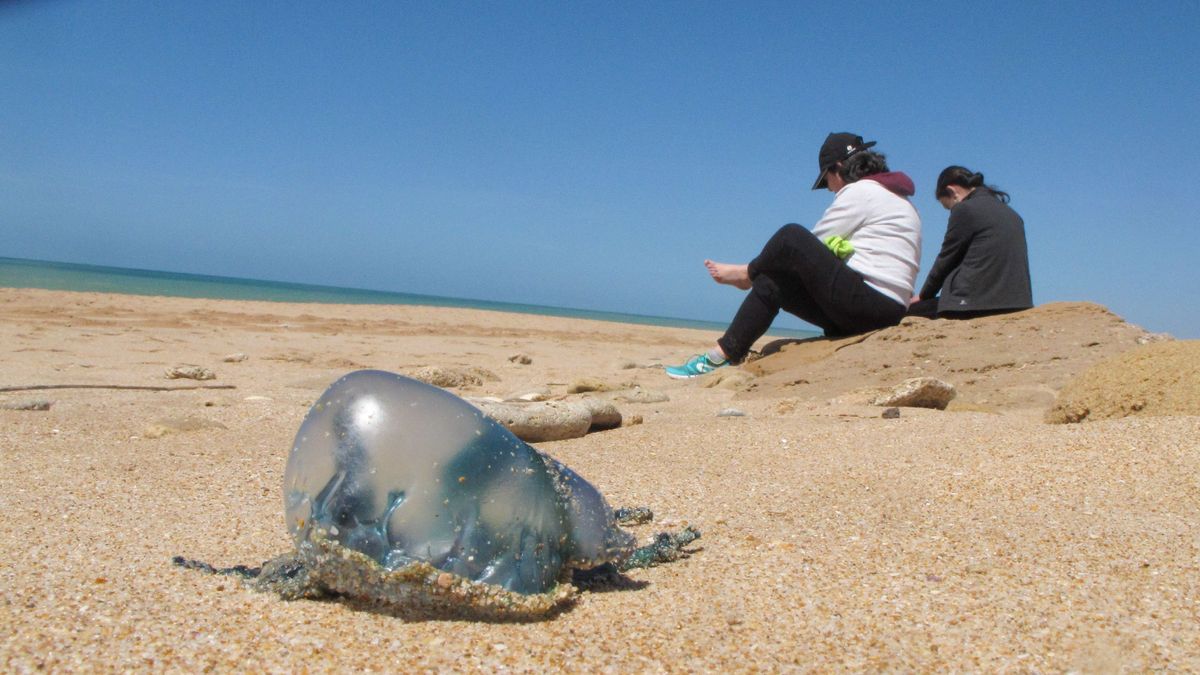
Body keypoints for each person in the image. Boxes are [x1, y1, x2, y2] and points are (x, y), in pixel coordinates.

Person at [665, 132, 922, 379]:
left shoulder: (862, 192)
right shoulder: (898, 198)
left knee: (790, 237)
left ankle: (746, 274)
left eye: (827, 181)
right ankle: (723, 354)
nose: (831, 189)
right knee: (773, 283)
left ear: (839, 168)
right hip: (881, 310)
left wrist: (755, 269)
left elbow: (806, 247)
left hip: (870, 305)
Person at [907, 166, 1032, 320]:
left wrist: (925, 294)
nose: (951, 211)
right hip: (1017, 302)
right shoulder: (1012, 214)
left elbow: (946, 258)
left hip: (974, 303)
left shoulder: (965, 210)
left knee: (908, 313)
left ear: (952, 191)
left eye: (948, 206)